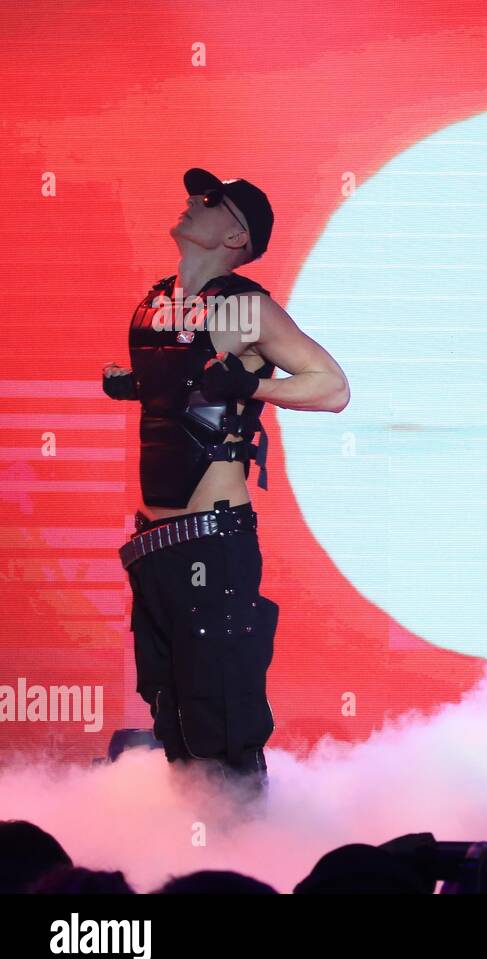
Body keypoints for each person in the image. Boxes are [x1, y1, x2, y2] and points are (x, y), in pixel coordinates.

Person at [102, 168, 349, 792]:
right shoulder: (157, 303)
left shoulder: (246, 306)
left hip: (212, 540)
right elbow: (187, 392)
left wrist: (253, 385)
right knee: (172, 708)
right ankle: (192, 849)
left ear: (236, 235)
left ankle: (241, 854)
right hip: (153, 544)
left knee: (222, 709)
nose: (192, 201)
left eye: (209, 200)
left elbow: (332, 386)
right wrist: (144, 388)